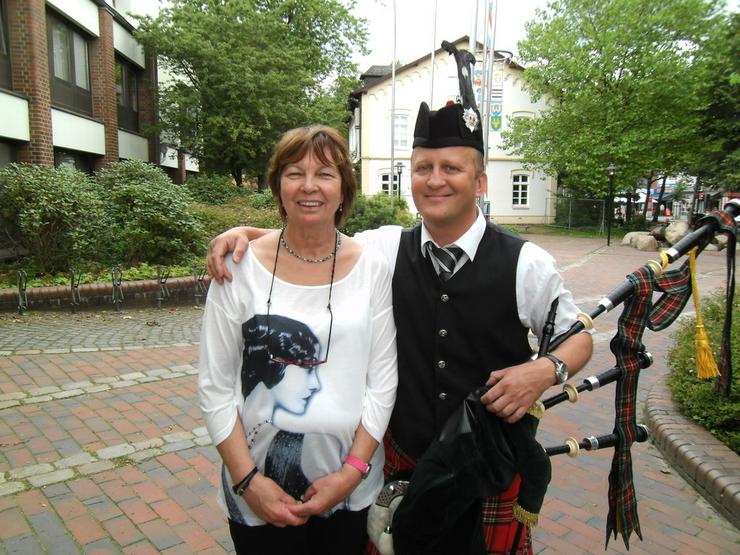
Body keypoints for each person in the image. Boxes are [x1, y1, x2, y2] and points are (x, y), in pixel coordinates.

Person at [206, 90, 592, 555]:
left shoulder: (526, 263)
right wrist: (243, 235)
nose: (435, 180)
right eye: (423, 168)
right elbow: (312, 234)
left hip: (485, 463)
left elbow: (578, 338)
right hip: (405, 461)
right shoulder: (385, 248)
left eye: (451, 168)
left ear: (481, 180)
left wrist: (546, 370)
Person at [199, 125, 398, 555]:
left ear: (344, 191)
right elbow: (214, 388)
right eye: (295, 173)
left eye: (325, 174)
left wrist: (351, 473)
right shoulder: (236, 268)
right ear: (278, 186)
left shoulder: (373, 267)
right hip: (255, 489)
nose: (309, 186)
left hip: (350, 488)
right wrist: (249, 482)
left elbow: (382, 383)